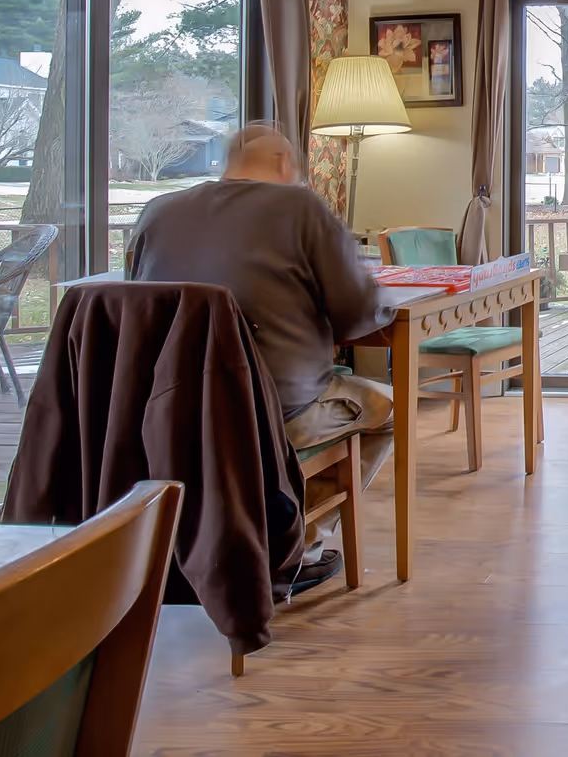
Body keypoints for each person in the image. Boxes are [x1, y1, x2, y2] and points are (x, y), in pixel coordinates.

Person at [128, 122, 389, 585]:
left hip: (168, 408)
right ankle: (297, 544)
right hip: (274, 409)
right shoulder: (300, 207)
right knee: (388, 407)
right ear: (284, 164)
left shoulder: (158, 210)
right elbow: (355, 314)